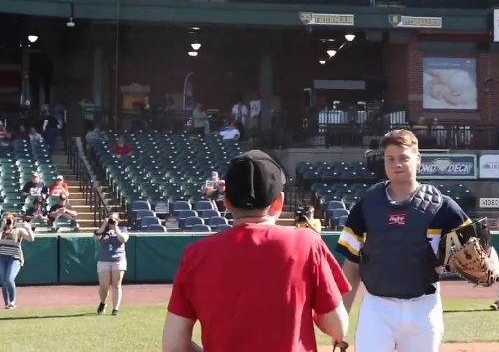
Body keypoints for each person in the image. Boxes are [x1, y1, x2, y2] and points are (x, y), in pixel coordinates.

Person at [162, 150, 351, 352]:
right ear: (278, 202)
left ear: (227, 203)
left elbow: (173, 346)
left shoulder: (196, 253)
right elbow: (337, 327)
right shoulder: (307, 243)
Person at [335, 129, 472, 352]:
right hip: (377, 307)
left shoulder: (443, 207)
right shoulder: (366, 206)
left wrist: (488, 260)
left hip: (424, 307)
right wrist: (342, 318)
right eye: (390, 159)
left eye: (403, 158)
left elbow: (480, 248)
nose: (397, 164)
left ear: (417, 159)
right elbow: (351, 267)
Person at [94, 213, 129, 315]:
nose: (112, 222)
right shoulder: (103, 230)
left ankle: (115, 309)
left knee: (117, 285)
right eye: (110, 220)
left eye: (114, 220)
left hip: (118, 260)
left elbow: (123, 239)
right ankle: (103, 302)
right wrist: (104, 225)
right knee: (104, 286)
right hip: (104, 260)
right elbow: (96, 237)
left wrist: (116, 228)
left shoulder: (123, 230)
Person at [0, 212, 35, 309]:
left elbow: (31, 238)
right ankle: (7, 304)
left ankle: (12, 301)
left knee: (9, 279)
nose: (8, 223)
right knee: (3, 281)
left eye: (9, 221)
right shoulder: (1, 231)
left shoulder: (18, 231)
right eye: (6, 221)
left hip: (15, 258)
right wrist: (2, 228)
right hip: (2, 258)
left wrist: (28, 228)